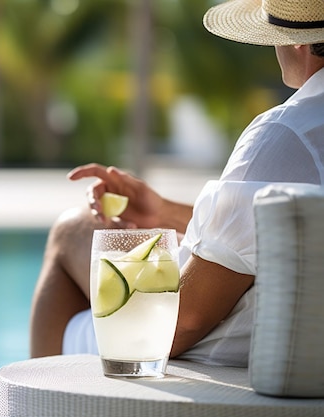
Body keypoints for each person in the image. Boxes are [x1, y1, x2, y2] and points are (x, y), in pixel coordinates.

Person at [29, 0, 324, 367]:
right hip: (294, 347)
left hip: (208, 357)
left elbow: (185, 321)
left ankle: (52, 389)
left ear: (297, 41)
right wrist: (163, 212)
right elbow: (273, 228)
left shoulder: (288, 132)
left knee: (70, 231)